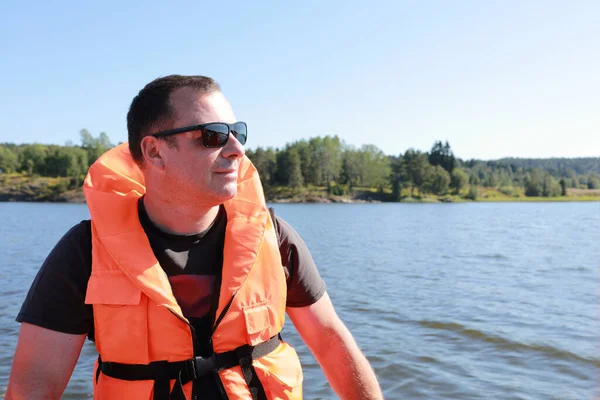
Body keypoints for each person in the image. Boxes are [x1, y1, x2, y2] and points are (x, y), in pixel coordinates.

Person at [6, 75, 383, 400]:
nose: (237, 150)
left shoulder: (274, 236)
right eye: (213, 136)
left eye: (239, 133)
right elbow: (34, 387)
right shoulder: (84, 253)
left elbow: (331, 341)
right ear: (154, 151)